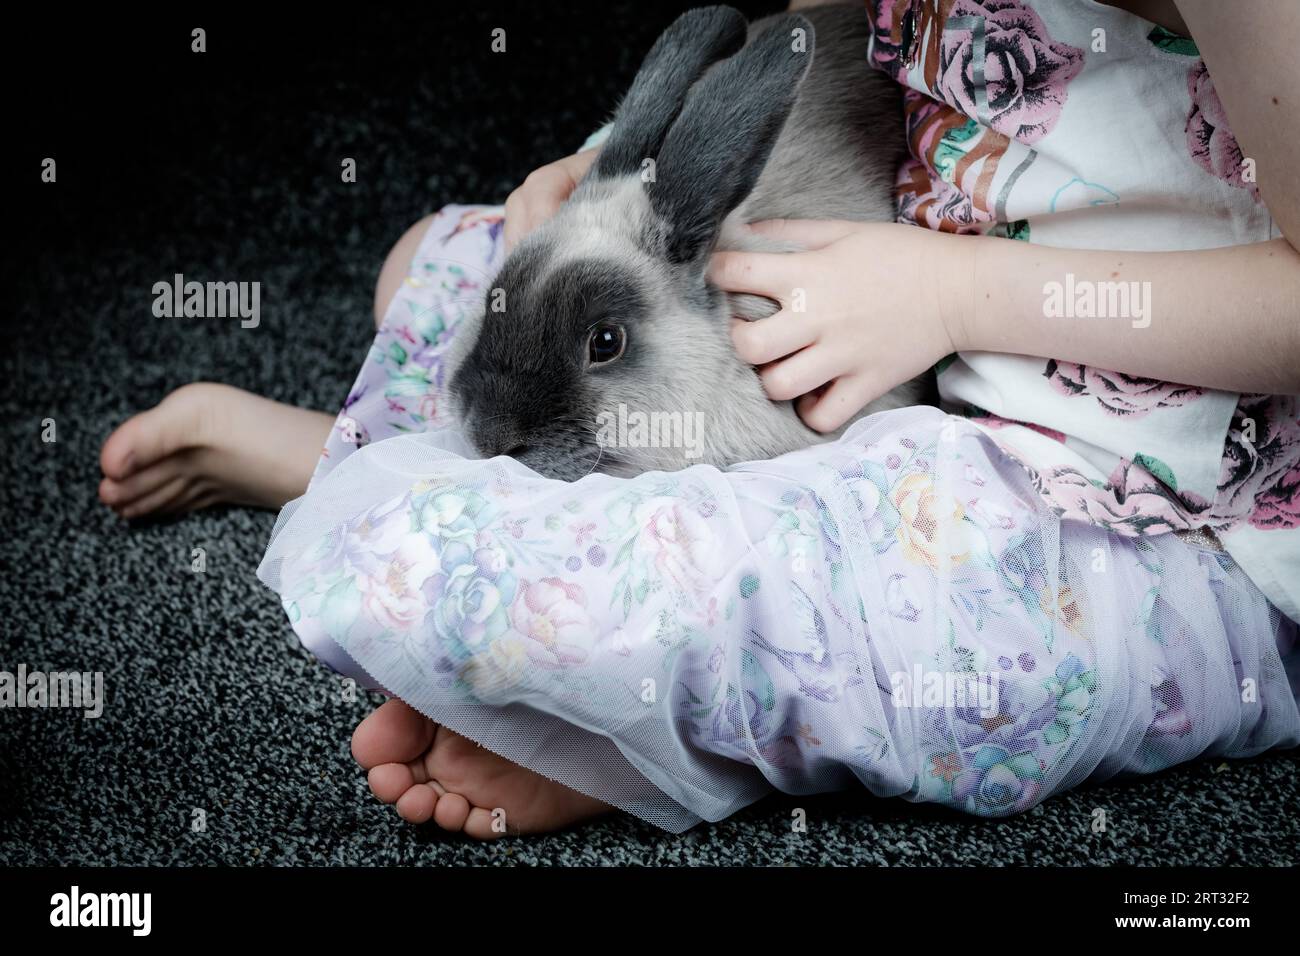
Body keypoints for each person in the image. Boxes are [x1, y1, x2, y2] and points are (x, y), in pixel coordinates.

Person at [101, 0, 1300, 837]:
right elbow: (801, 47)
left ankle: (610, 720)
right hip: (913, 351)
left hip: (1157, 508)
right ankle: (451, 509)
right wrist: (605, 178)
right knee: (436, 263)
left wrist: (954, 292)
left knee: (816, 595)